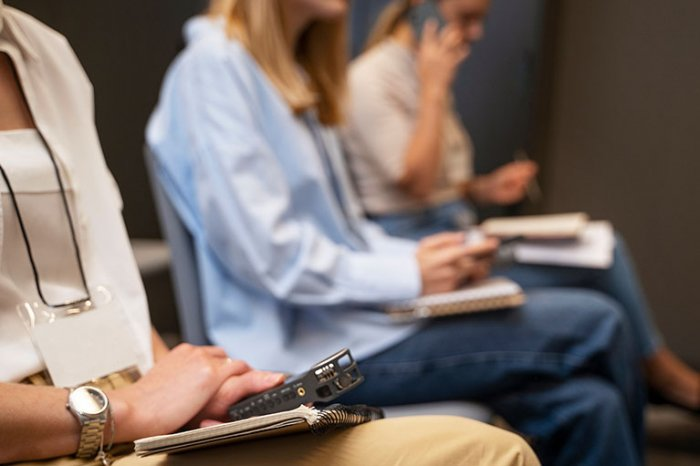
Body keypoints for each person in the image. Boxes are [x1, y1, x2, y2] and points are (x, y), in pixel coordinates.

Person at [0, 3, 540, 466]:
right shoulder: (214, 71)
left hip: (131, 398)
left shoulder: (46, 53)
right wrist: (130, 408)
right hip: (71, 417)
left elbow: (108, 280)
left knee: (554, 397)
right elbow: (276, 257)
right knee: (508, 429)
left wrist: (170, 387)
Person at [147, 1, 648, 464]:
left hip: (355, 324)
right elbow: (274, 257)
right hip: (305, 356)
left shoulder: (293, 70)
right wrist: (411, 274)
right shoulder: (213, 69)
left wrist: (430, 256)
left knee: (591, 404)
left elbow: (349, 233)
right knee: (599, 322)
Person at [340, 0, 700, 413]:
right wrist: (435, 88)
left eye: (481, 21)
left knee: (601, 248)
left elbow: (436, 181)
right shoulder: (372, 78)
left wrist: (482, 188)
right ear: (423, 9)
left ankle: (648, 379)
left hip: (454, 228)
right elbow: (416, 182)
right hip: (417, 242)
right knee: (602, 295)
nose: (476, 33)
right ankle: (664, 376)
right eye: (466, 19)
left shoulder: (419, 68)